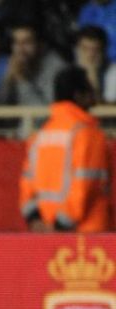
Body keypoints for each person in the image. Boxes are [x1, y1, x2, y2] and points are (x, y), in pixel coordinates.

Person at [20, 66, 113, 232]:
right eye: (90, 90)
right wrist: (61, 226)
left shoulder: (40, 135)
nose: (94, 95)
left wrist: (35, 219)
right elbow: (84, 186)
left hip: (46, 231)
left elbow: (27, 184)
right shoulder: (88, 135)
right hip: (87, 233)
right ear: (78, 96)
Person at [0, 23, 66, 106]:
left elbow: (46, 111)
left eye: (26, 42)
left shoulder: (57, 69)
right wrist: (8, 81)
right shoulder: (14, 64)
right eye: (16, 42)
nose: (20, 49)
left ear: (41, 45)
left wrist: (21, 80)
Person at [74, 26, 116, 104]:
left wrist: (92, 75)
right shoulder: (66, 71)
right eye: (85, 49)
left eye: (96, 50)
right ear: (77, 49)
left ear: (104, 51)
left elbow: (104, 107)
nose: (90, 55)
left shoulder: (113, 71)